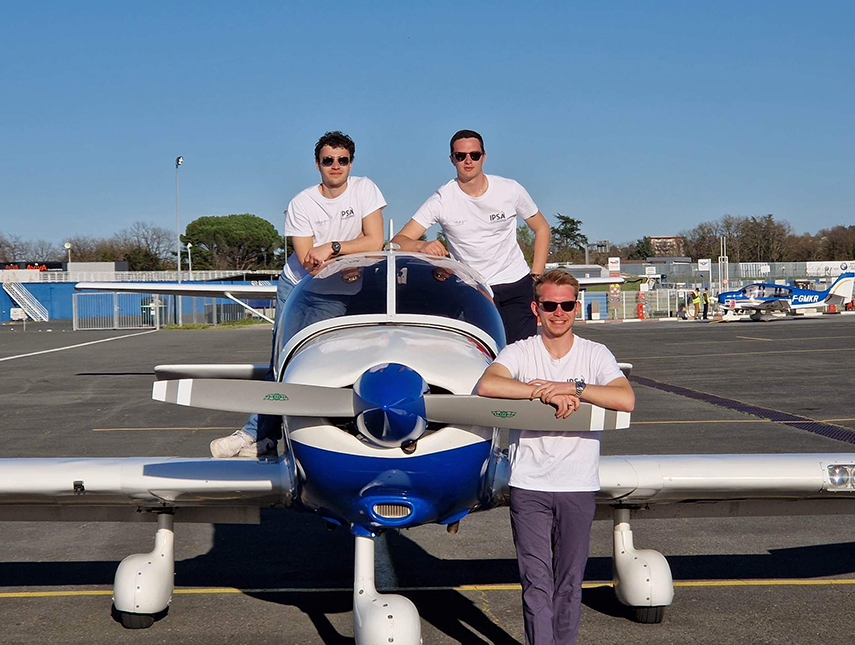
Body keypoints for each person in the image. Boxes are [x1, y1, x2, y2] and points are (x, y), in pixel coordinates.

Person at [475, 270, 635, 645]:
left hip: (578, 485)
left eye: (566, 305)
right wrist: (540, 393)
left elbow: (625, 398)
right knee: (535, 583)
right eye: (550, 305)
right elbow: (488, 384)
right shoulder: (520, 351)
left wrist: (573, 387)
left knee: (568, 584)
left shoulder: (595, 354)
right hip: (530, 485)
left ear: (576, 308)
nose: (558, 312)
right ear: (536, 308)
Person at [210, 131, 386, 458]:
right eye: (328, 161)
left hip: (339, 292)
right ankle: (258, 437)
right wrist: (345, 255)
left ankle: (259, 436)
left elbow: (375, 241)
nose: (336, 166)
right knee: (281, 360)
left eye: (343, 160)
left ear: (351, 162)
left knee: (309, 364)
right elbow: (309, 261)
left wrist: (332, 247)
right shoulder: (302, 202)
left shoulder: (365, 189)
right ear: (317, 164)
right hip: (296, 284)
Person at [391, 129, 551, 344]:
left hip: (516, 285)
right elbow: (397, 243)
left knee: (520, 359)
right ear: (452, 159)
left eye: (474, 155)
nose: (468, 161)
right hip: (473, 289)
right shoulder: (442, 199)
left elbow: (541, 228)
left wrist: (536, 277)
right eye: (461, 156)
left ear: (483, 157)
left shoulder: (510, 190)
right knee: (479, 358)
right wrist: (421, 246)